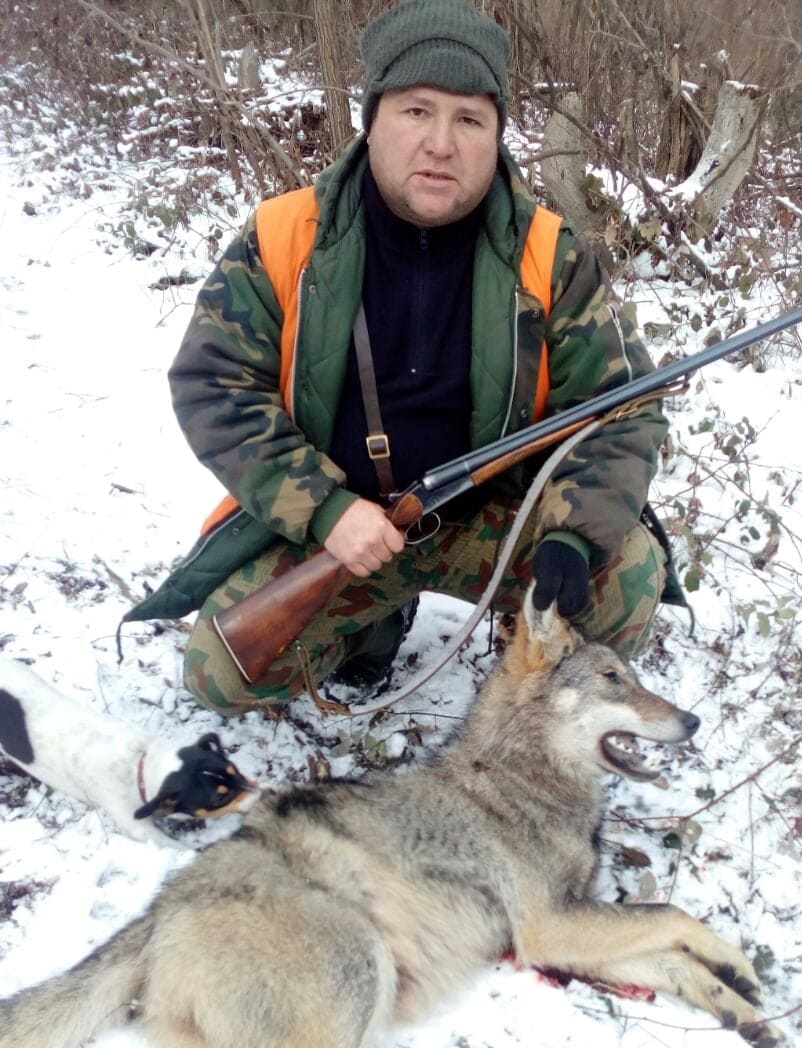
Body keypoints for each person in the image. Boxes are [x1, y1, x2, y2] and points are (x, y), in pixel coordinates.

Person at [138, 0, 675, 714]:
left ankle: (532, 671)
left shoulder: (550, 252)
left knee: (628, 580)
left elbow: (620, 408)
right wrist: (326, 509)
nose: (442, 143)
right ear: (372, 120)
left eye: (469, 119)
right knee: (223, 675)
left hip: (496, 521)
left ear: (497, 137)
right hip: (346, 527)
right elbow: (215, 386)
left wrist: (572, 537)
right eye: (417, 112)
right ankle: (374, 627)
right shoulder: (284, 233)